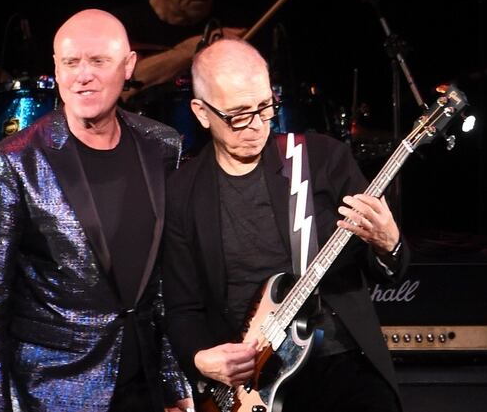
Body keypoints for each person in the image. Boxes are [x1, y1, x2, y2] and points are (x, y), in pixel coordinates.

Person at [0, 9, 191, 412]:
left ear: (128, 65)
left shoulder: (163, 146)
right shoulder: (14, 161)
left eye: (98, 61)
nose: (83, 75)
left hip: (144, 386)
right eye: (71, 63)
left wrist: (174, 380)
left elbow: (165, 281)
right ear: (56, 69)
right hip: (52, 390)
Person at [161, 38, 409, 411]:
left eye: (265, 106)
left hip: (341, 365)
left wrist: (388, 244)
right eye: (238, 114)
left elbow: (390, 270)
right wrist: (200, 358)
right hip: (252, 384)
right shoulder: (183, 191)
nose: (257, 125)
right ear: (201, 112)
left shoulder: (322, 159)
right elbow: (182, 308)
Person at [113, 0, 244, 156]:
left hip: (215, 156)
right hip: (137, 155)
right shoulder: (120, 27)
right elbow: (123, 83)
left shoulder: (229, 25)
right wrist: (193, 49)